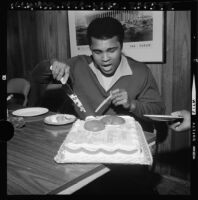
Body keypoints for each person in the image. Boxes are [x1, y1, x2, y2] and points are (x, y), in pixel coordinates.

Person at [32, 17, 165, 131]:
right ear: (90, 48)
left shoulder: (141, 71)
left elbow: (158, 111)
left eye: (111, 50)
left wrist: (132, 104)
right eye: (98, 52)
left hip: (122, 140)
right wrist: (53, 64)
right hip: (85, 137)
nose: (105, 58)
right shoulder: (78, 65)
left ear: (122, 46)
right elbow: (37, 77)